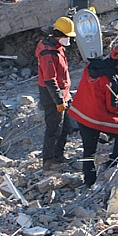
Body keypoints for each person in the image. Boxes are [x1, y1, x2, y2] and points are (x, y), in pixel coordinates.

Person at [68, 45, 118, 187]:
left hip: (80, 112)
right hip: (95, 116)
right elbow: (112, 106)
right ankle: (113, 163)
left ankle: (88, 181)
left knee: (89, 150)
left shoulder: (91, 66)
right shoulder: (112, 79)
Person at [36, 16, 77, 171]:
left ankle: (58, 157)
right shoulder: (48, 53)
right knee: (54, 129)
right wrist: (59, 101)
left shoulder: (56, 47)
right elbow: (49, 80)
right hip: (52, 96)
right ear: (59, 34)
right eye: (67, 36)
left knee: (65, 127)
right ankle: (49, 161)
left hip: (62, 94)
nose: (69, 40)